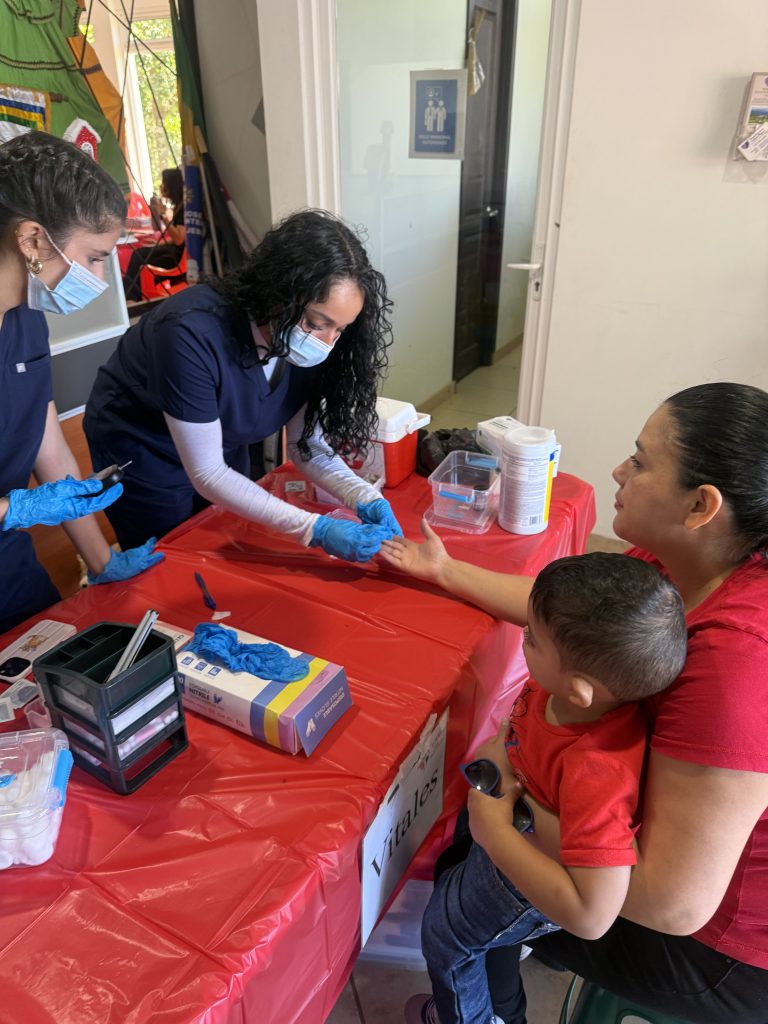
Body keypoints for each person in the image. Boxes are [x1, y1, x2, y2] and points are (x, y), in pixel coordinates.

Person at [382, 381, 768, 1024]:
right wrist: (444, 571)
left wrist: (509, 818)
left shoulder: (737, 666)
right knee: (475, 848)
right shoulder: (690, 559)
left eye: (640, 462)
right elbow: (576, 619)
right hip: (638, 860)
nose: (618, 470)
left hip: (717, 947)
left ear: (701, 504)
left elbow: (673, 903)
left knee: (467, 887)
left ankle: (488, 1010)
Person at [404, 552, 688, 1024]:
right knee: (456, 898)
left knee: (444, 936)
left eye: (532, 639)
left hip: (521, 871)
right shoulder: (558, 692)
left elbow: (592, 917)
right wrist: (500, 751)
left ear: (580, 689)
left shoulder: (596, 772)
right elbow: (519, 729)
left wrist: (493, 831)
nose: (522, 637)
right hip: (511, 826)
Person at [85, 209, 401, 561]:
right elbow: (207, 472)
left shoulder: (306, 348)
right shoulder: (190, 332)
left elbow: (306, 444)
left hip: (217, 443)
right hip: (144, 448)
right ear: (280, 292)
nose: (326, 342)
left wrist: (364, 497)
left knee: (224, 531)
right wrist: (315, 529)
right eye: (317, 323)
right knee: (169, 552)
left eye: (339, 330)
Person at [0, 132, 163, 635]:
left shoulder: (25, 322)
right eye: (94, 257)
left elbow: (50, 448)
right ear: (31, 240)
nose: (101, 274)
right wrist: (19, 507)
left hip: (11, 570)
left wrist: (101, 561)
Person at [123, 166, 185, 302]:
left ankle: (131, 298)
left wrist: (163, 215)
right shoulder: (178, 206)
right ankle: (129, 295)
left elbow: (180, 239)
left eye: (164, 183)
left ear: (172, 186)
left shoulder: (183, 208)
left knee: (139, 258)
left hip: (176, 257)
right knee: (139, 253)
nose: (161, 186)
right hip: (173, 250)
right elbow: (178, 239)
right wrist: (158, 244)